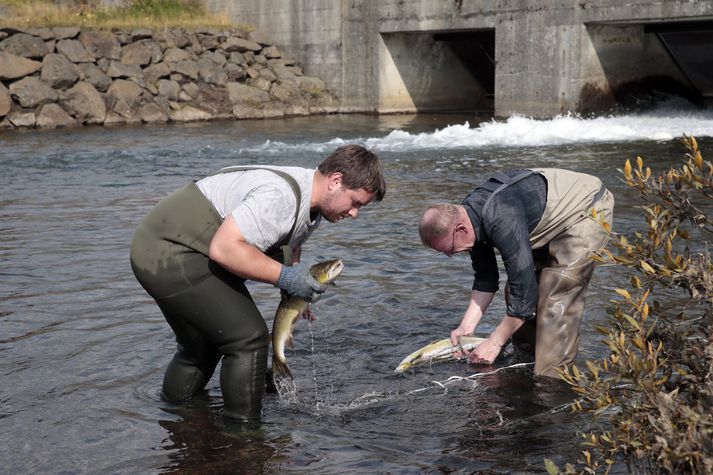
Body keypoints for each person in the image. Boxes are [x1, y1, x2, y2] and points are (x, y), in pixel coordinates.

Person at [130, 144, 386, 421]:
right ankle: (244, 438)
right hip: (170, 251)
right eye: (355, 203)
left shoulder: (311, 203)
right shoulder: (280, 197)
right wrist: (288, 277)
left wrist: (294, 293)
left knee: (202, 347)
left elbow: (291, 246)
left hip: (161, 247)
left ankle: (177, 419)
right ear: (336, 181)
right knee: (248, 339)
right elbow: (225, 249)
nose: (354, 214)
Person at [418, 168, 613, 378]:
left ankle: (554, 384)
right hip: (544, 223)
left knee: (555, 298)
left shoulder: (500, 218)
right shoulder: (469, 216)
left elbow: (525, 298)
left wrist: (495, 341)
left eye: (449, 249)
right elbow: (486, 277)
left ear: (460, 229)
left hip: (586, 209)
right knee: (514, 289)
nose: (450, 255)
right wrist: (466, 327)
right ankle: (527, 361)